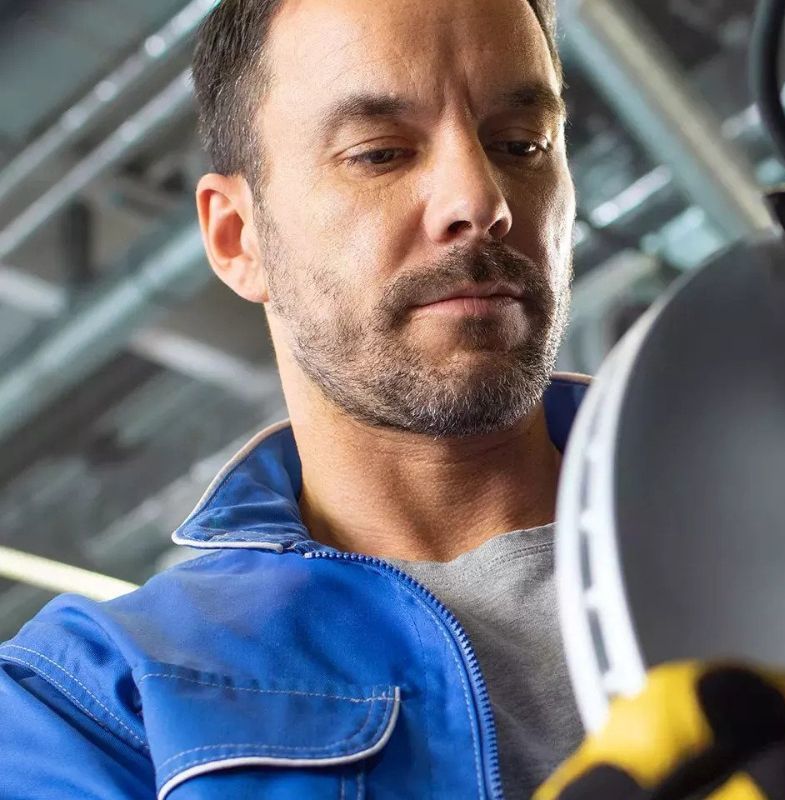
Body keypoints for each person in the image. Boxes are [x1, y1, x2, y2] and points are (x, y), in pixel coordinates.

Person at [0, 0, 585, 797]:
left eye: (522, 144)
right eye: (380, 154)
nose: (481, 202)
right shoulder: (92, 701)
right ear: (237, 238)